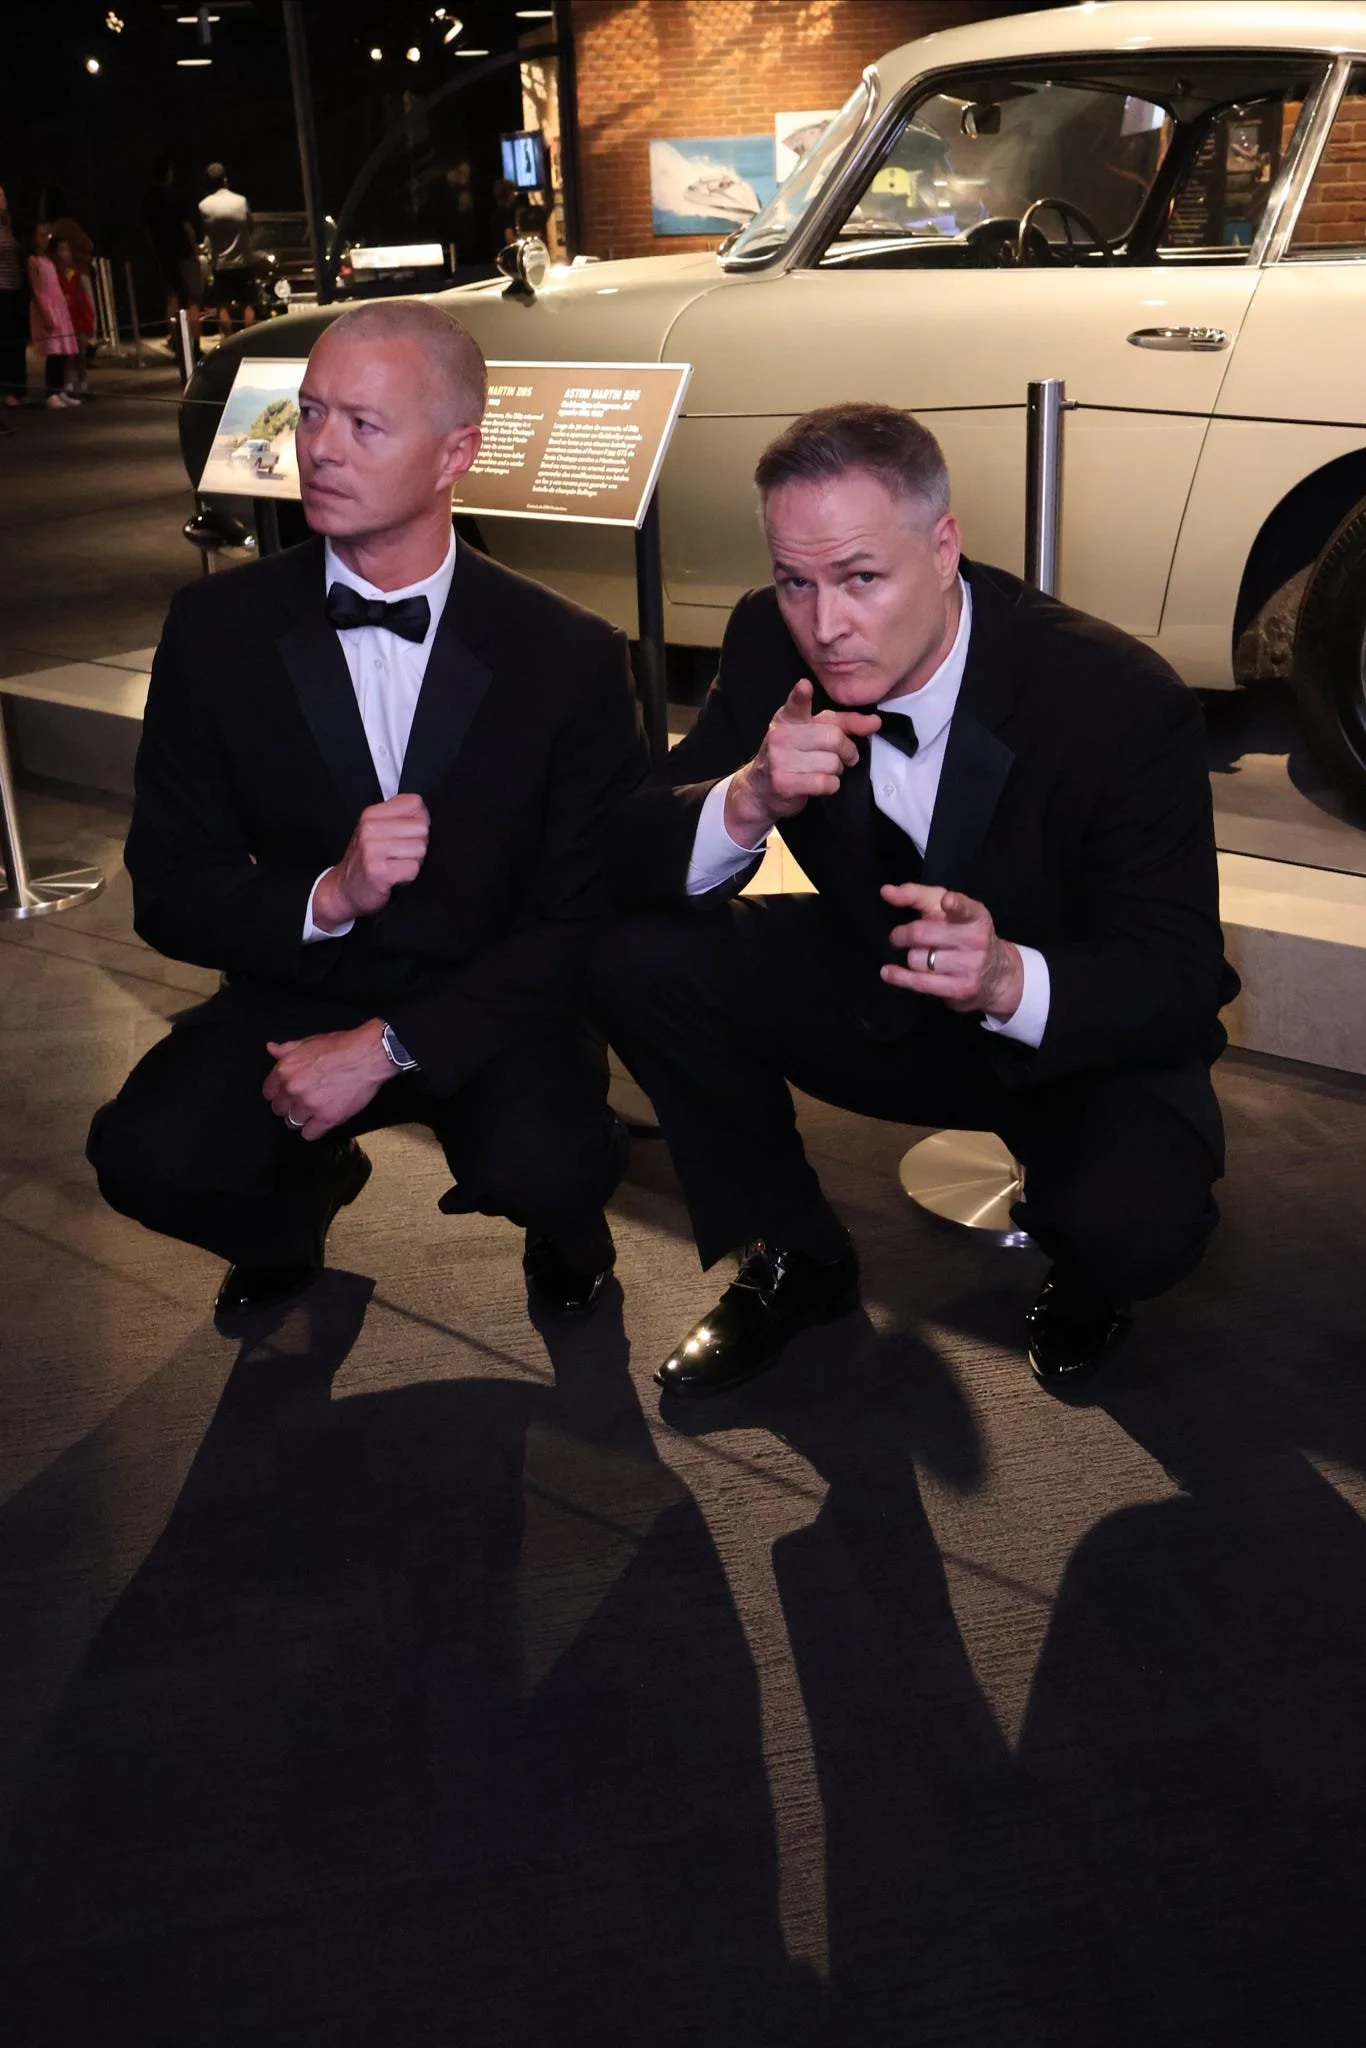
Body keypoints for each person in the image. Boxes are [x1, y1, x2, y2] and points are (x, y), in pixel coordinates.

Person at [595, 403, 1237, 1394]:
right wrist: (749, 794)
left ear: (943, 549)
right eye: (793, 580)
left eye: (860, 577)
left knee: (1137, 1225)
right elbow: (629, 841)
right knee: (635, 954)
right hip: (876, 983)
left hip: (1069, 1032)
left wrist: (1005, 975)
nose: (825, 624)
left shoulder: (1117, 697)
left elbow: (1181, 975)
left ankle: (1087, 1273)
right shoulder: (771, 638)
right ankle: (797, 1254)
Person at [87, 299, 647, 1325]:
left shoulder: (567, 653)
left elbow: (582, 924)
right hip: (294, 992)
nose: (318, 450)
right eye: (308, 415)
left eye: (362, 424)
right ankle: (293, 1211)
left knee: (546, 1158)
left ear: (454, 454)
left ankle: (569, 1224)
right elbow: (168, 887)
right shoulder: (215, 630)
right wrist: (326, 896)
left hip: (494, 1002)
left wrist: (390, 1043)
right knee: (144, 1154)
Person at [142, 155, 202, 360]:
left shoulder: (149, 199)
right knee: (192, 301)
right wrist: (195, 248)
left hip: (163, 256)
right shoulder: (176, 196)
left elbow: (148, 232)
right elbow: (186, 227)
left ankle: (178, 345)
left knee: (171, 300)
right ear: (169, 172)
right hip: (183, 254)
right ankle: (194, 346)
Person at [199, 161, 254, 335]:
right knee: (248, 304)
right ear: (225, 180)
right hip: (243, 261)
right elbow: (250, 226)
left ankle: (229, 341)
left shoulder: (203, 206)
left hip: (220, 264)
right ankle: (250, 341)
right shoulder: (241, 201)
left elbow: (206, 233)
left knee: (222, 305)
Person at [26, 224, 79, 408]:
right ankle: (51, 393)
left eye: (46, 235)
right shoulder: (33, 261)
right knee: (54, 350)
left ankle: (59, 390)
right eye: (41, 235)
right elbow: (36, 289)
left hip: (58, 306)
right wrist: (44, 312)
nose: (45, 239)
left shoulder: (48, 260)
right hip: (47, 307)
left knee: (62, 350)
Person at [51, 235, 95, 395]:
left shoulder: (76, 275)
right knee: (68, 355)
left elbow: (84, 300)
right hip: (64, 322)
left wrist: (88, 321)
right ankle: (68, 382)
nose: (66, 254)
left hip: (78, 321)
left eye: (68, 249)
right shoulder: (55, 275)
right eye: (62, 250)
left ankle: (83, 381)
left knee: (80, 354)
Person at [0, 184, 25, 407]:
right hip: (1, 290)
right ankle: (7, 391)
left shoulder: (8, 227)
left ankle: (16, 389)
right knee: (5, 342)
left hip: (14, 288)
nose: (2, 201)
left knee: (16, 341)